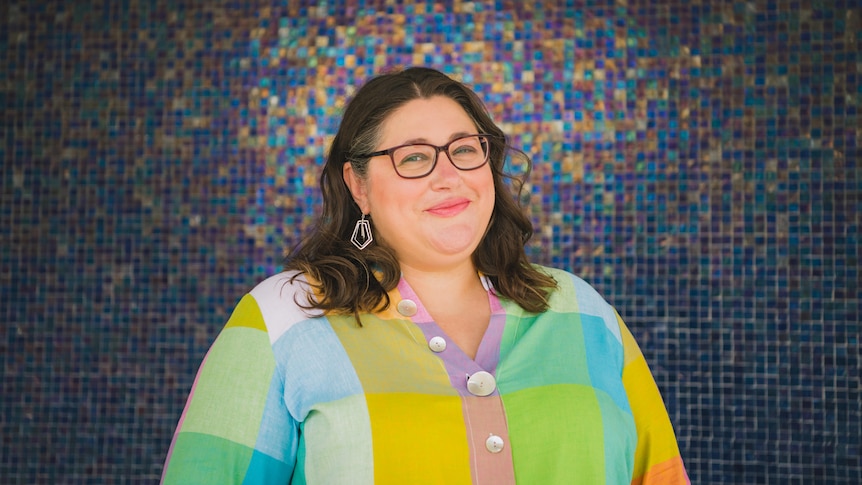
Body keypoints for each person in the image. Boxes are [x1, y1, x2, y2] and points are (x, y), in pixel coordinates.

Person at [161, 66, 690, 484]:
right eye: (413, 157)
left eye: (464, 150)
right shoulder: (285, 317)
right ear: (358, 185)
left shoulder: (581, 309)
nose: (448, 176)